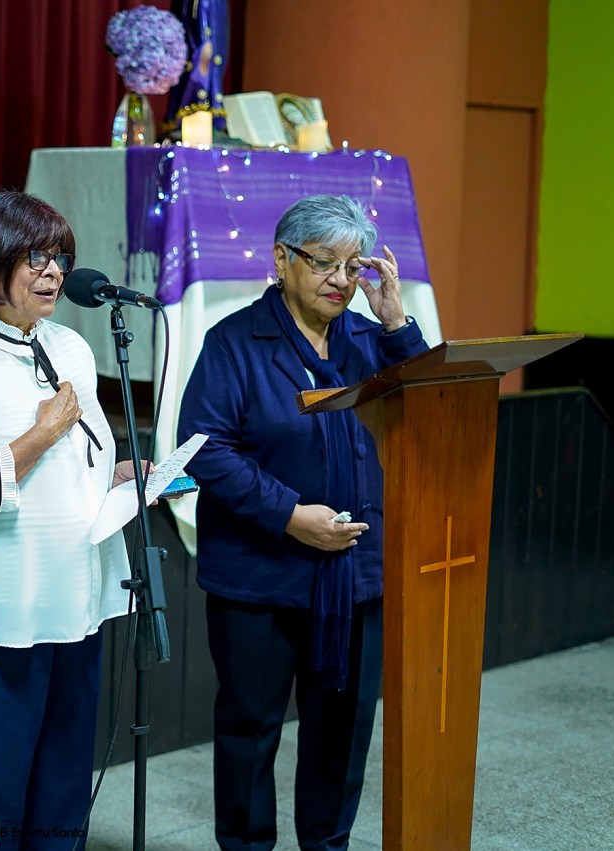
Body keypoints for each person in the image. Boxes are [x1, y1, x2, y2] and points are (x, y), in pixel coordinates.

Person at [176, 194, 430, 850]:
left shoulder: (370, 340)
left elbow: (428, 417)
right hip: (260, 578)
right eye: (324, 263)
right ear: (281, 259)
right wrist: (288, 514)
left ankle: (327, 845)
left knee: (342, 734)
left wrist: (398, 323)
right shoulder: (234, 342)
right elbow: (205, 448)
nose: (340, 281)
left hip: (355, 576)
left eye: (354, 266)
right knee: (250, 733)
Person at [0, 190, 141, 849]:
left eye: (59, 257)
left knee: (62, 796)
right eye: (34, 258)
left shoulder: (69, 345)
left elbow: (80, 459)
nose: (54, 272)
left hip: (76, 605)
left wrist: (118, 476)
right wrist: (39, 436)